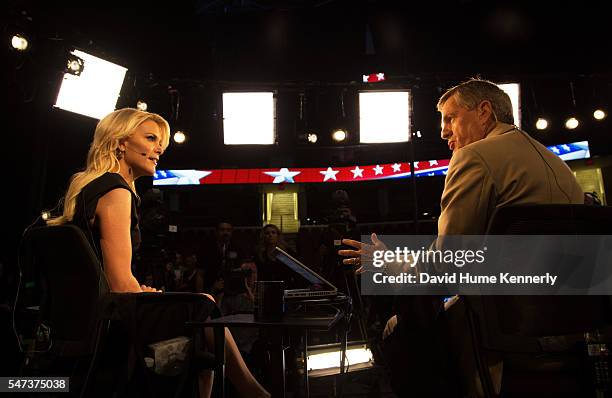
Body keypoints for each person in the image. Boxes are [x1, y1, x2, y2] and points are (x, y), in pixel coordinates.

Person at [339, 78, 584, 397]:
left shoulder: (475, 157)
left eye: (450, 118)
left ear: (484, 112)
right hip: (573, 325)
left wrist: (387, 263)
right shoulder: (556, 163)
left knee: (396, 329)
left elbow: (447, 270)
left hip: (505, 329)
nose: (443, 131)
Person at [47, 108, 269, 398]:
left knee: (199, 324)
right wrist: (145, 295)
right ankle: (255, 392)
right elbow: (118, 284)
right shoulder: (116, 191)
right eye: (151, 138)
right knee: (202, 305)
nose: (159, 149)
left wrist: (142, 291)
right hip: (108, 318)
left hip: (83, 316)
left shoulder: (90, 187)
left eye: (160, 143)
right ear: (120, 141)